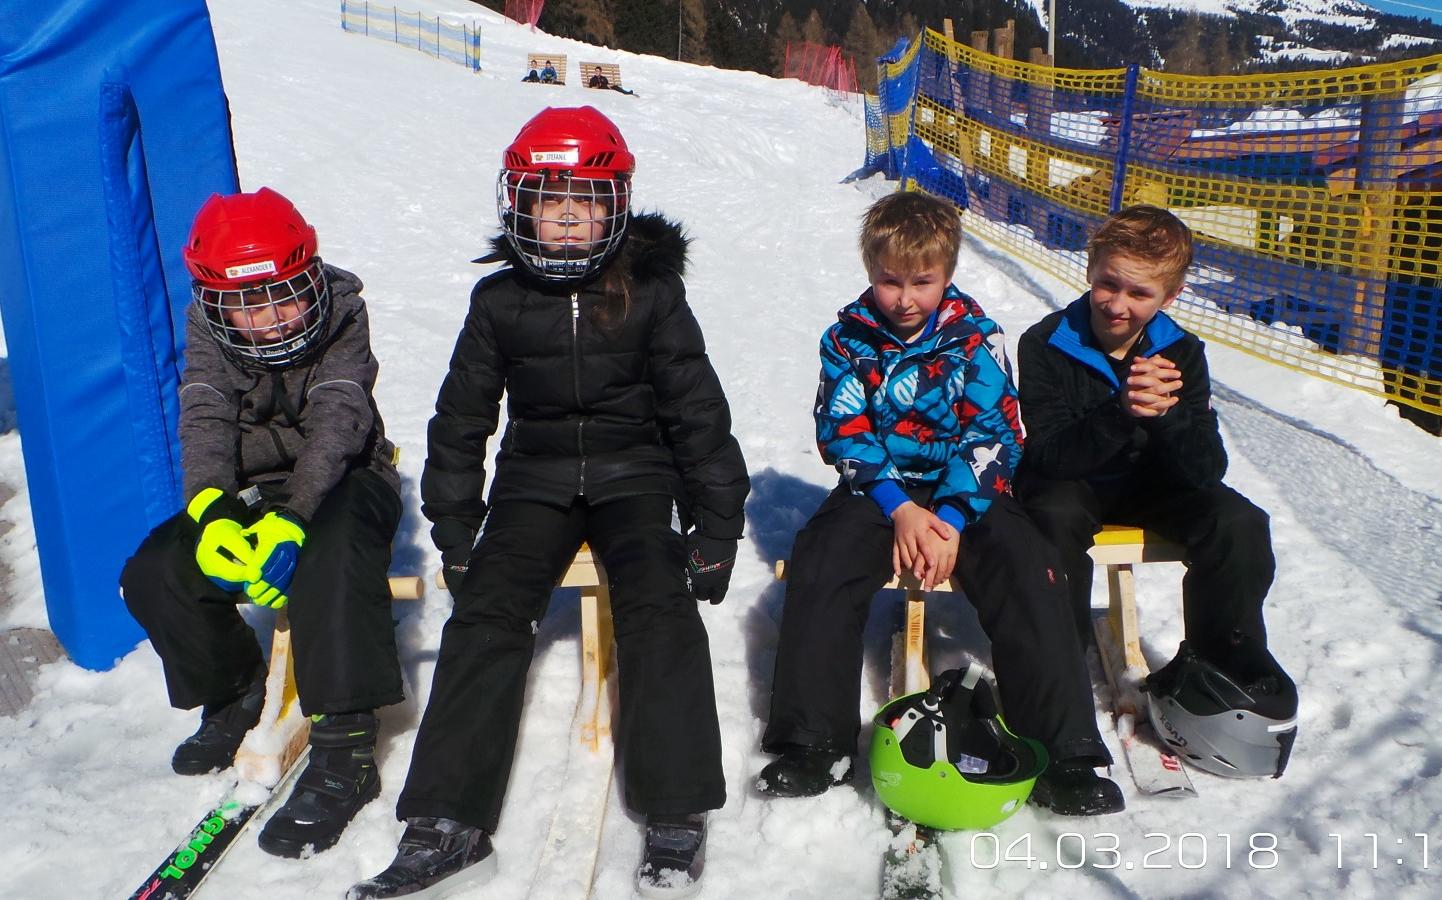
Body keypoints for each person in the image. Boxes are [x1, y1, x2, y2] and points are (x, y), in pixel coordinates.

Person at [349, 106, 749, 899]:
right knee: (488, 612)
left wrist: (716, 525)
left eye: (586, 200)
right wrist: (458, 530)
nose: (567, 218)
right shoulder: (499, 302)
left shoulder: (652, 295)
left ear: (616, 205)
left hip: (637, 475)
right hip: (534, 479)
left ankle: (676, 807)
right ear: (520, 206)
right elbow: (461, 419)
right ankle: (446, 821)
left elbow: (696, 410)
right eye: (549, 200)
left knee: (660, 608)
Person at [756, 191, 1124, 817]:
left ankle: (1065, 751)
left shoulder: (975, 338)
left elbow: (996, 434)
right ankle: (813, 741)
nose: (904, 299)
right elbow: (843, 429)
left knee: (1029, 566)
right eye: (888, 281)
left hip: (967, 488)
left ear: (947, 274)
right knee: (823, 557)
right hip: (880, 487)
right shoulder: (848, 338)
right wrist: (900, 508)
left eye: (921, 282)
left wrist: (950, 519)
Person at [120, 187, 404, 858]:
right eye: (249, 308)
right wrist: (213, 510)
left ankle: (346, 746)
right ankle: (234, 688)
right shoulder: (209, 331)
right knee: (157, 570)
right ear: (218, 306)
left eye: (285, 297)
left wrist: (297, 518)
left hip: (346, 476)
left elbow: (339, 418)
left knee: (329, 560)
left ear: (310, 277)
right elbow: (205, 414)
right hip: (252, 489)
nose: (274, 320)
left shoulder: (343, 314)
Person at [1014, 205, 1297, 778]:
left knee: (1237, 522)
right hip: (1075, 479)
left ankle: (1221, 665)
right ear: (1090, 270)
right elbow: (1048, 455)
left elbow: (1205, 469)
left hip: (1153, 483)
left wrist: (1167, 417)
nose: (1117, 305)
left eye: (1138, 293)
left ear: (1168, 297)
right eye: (1107, 284)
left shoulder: (1182, 352)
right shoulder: (1045, 342)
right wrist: (1123, 412)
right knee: (1052, 511)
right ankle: (1057, 666)